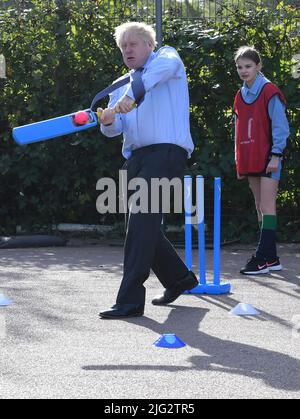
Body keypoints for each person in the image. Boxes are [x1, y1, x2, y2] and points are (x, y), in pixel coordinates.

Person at [98, 22, 198, 318]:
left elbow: (152, 77)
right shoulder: (121, 84)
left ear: (149, 45)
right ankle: (179, 278)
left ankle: (129, 300)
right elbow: (115, 129)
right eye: (123, 46)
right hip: (137, 158)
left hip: (166, 153)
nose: (127, 49)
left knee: (141, 224)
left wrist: (132, 96)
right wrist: (107, 120)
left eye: (133, 44)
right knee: (142, 226)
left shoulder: (167, 58)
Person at [234, 46, 290, 275]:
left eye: (248, 66)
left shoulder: (269, 91)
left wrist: (276, 154)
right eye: (239, 67)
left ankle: (262, 257)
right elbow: (237, 130)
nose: (244, 71)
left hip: (268, 157)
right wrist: (239, 160)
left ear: (258, 66)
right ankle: (271, 257)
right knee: (259, 207)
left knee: (267, 206)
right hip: (249, 156)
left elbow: (280, 127)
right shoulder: (239, 95)